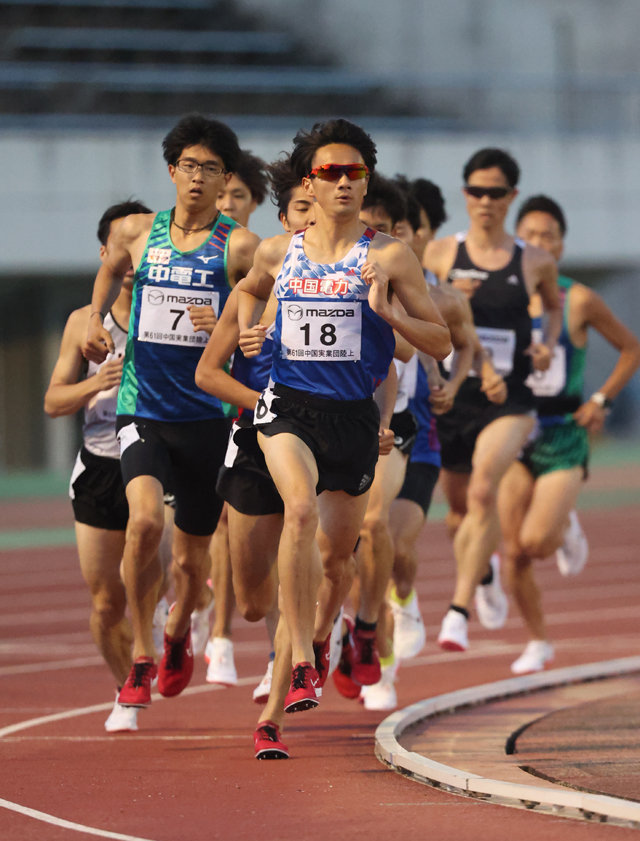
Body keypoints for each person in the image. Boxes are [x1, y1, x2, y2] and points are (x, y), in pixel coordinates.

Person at [236, 118, 451, 715]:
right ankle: (299, 657)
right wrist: (250, 330)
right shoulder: (281, 249)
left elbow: (438, 341)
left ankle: (327, 635)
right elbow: (249, 285)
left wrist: (388, 312)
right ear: (311, 181)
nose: (344, 182)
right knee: (298, 511)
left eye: (355, 172)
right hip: (288, 409)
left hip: (353, 419)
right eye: (331, 173)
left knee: (338, 557)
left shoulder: (388, 255)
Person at [82, 113, 259, 709]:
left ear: (225, 178)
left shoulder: (238, 245)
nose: (198, 178)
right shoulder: (138, 231)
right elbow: (107, 271)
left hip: (208, 418)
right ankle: (142, 652)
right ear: (172, 170)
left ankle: (182, 627)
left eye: (211, 169)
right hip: (142, 409)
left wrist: (231, 324)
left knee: (189, 561)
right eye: (189, 166)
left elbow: (266, 317)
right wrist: (92, 319)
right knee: (144, 524)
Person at [196, 154, 318, 757]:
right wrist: (263, 403)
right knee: (248, 600)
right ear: (281, 219)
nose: (310, 220)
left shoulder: (343, 282)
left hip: (314, 437)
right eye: (300, 210)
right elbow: (208, 374)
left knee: (310, 533)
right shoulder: (248, 295)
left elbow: (381, 359)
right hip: (252, 438)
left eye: (317, 208)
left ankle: (285, 687)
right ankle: (291, 636)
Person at [423, 147, 562, 653]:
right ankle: (482, 571)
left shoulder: (535, 260)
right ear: (466, 195)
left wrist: (546, 341)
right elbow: (417, 308)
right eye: (477, 192)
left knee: (484, 492)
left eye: (496, 193)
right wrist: (445, 297)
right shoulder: (439, 254)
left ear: (511, 198)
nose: (485, 201)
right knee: (459, 513)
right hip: (454, 397)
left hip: (511, 399)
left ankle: (457, 612)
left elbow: (553, 307)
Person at [498, 194, 640, 673]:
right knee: (513, 551)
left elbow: (630, 348)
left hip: (563, 437)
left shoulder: (577, 299)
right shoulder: (501, 297)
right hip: (515, 436)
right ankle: (538, 641)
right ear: (515, 242)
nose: (538, 243)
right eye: (529, 235)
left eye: (548, 236)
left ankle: (562, 526)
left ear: (560, 246)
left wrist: (601, 400)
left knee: (537, 543)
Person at [44, 200, 153, 732]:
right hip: (99, 466)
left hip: (158, 462)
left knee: (171, 572)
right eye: (122, 246)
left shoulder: (173, 318)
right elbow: (52, 401)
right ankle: (126, 686)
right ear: (105, 255)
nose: (133, 256)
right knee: (108, 601)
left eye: (143, 244)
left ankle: (190, 623)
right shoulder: (82, 327)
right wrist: (96, 381)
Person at [203, 150, 269, 687]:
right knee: (209, 527)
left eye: (238, 198)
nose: (226, 205)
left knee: (241, 522)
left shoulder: (266, 262)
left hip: (252, 403)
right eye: (221, 195)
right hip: (202, 402)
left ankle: (278, 647)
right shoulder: (191, 254)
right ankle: (216, 633)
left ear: (254, 206)